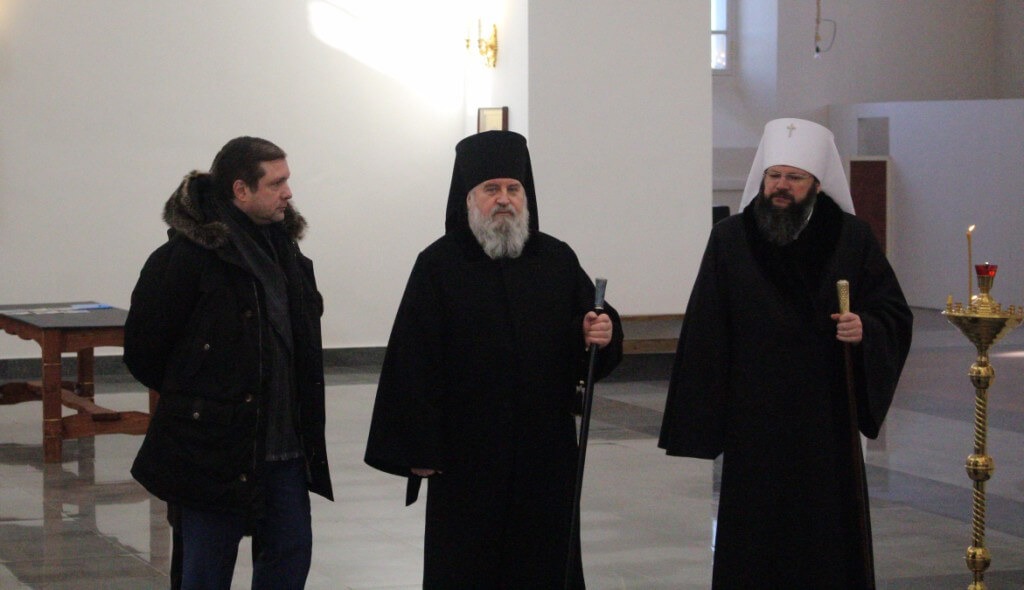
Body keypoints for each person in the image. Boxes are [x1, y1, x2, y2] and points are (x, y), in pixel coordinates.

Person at [659, 118, 913, 589]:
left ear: (817, 183)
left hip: (825, 417)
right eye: (774, 175)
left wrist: (865, 327)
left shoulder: (851, 237)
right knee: (754, 537)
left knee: (824, 535)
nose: (781, 186)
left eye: (794, 178)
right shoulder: (731, 237)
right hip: (753, 415)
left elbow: (892, 311)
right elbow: (707, 324)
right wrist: (701, 417)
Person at [364, 130, 623, 588]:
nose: (504, 199)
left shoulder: (556, 259)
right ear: (469, 198)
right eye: (491, 189)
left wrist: (599, 332)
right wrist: (420, 447)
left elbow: (589, 329)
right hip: (467, 455)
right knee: (467, 565)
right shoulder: (439, 264)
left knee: (544, 562)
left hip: (545, 453)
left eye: (513, 188)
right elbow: (413, 359)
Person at [124, 137, 332, 589]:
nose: (288, 193)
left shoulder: (285, 251)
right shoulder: (185, 258)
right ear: (241, 190)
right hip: (212, 449)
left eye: (287, 180)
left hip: (285, 449)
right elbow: (144, 352)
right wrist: (202, 400)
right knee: (205, 571)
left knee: (290, 557)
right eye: (276, 183)